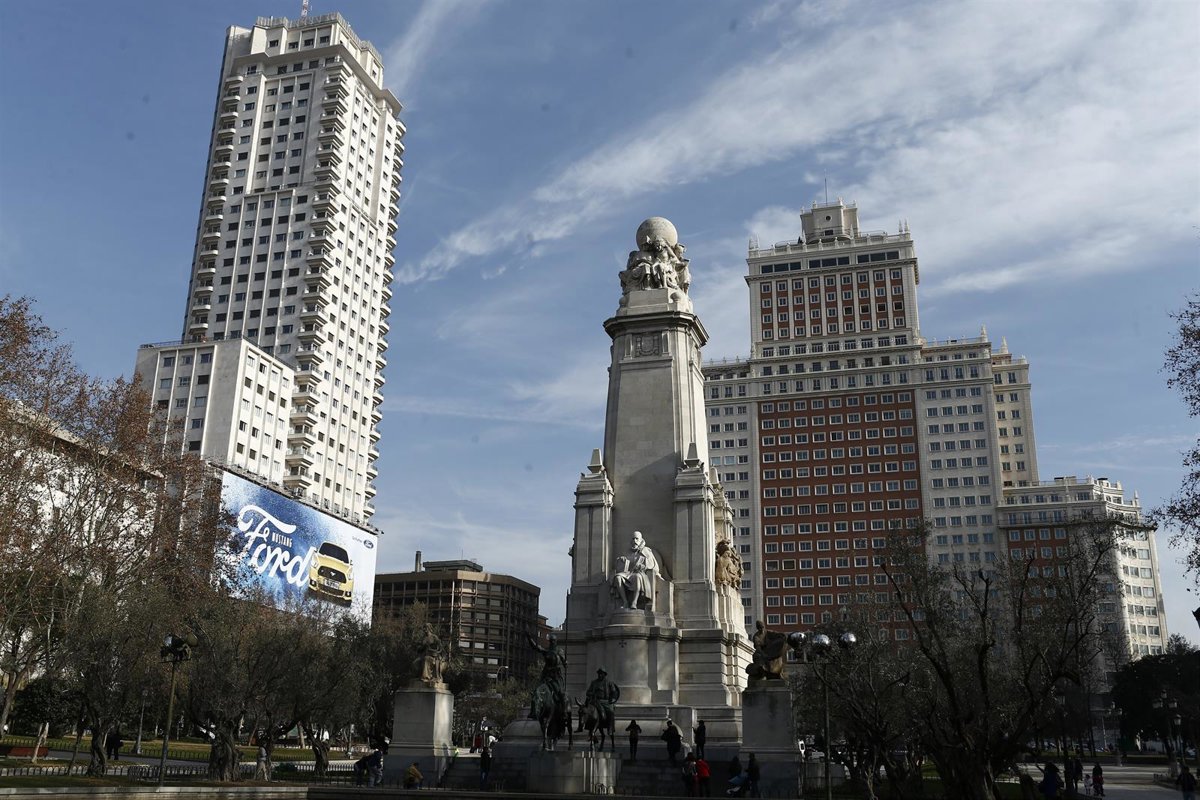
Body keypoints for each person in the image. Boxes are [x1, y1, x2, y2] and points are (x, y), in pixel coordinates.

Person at [611, 531, 660, 609]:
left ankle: (634, 602)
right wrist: (621, 559)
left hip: (641, 573)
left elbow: (652, 565)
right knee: (618, 577)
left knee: (637, 577)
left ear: (641, 540)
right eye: (633, 539)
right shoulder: (628, 552)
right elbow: (622, 565)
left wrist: (643, 566)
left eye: (637, 539)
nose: (634, 541)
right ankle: (625, 602)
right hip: (628, 573)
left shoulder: (646, 550)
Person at [526, 633, 567, 719]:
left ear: (556, 641)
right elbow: (536, 647)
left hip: (555, 676)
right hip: (546, 676)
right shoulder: (546, 651)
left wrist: (565, 663)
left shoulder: (559, 651)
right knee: (536, 692)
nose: (552, 643)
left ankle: (564, 712)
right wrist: (529, 638)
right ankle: (534, 711)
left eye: (553, 641)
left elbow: (564, 660)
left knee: (561, 693)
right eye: (550, 641)